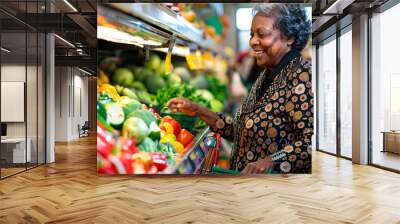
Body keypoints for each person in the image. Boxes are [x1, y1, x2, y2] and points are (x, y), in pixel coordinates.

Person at [167, 3, 313, 174]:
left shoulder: (302, 76)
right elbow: (244, 131)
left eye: (262, 34)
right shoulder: (267, 74)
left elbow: (310, 144)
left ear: (289, 38)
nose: (252, 42)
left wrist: (270, 161)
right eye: (252, 35)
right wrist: (197, 110)